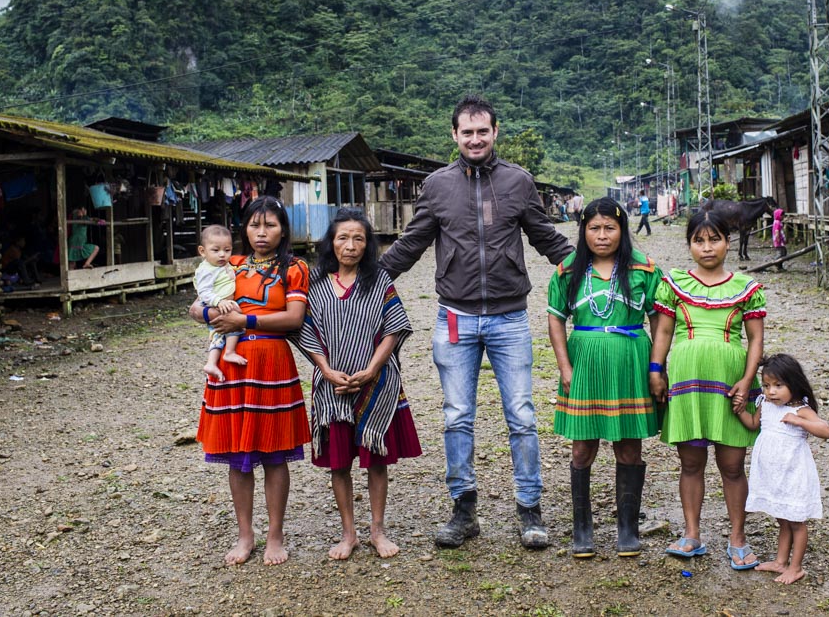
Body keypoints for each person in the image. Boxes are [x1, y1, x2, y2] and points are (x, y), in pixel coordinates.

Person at [380, 95, 573, 550]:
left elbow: (546, 237)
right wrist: (364, 278)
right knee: (456, 416)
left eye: (482, 131)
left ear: (495, 132)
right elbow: (411, 243)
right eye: (466, 132)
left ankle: (530, 510)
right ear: (454, 136)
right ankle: (463, 510)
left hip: (509, 317)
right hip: (455, 318)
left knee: (522, 417)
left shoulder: (519, 182)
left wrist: (593, 268)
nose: (474, 139)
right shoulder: (437, 186)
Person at [190, 196, 312, 566]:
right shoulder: (232, 262)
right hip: (232, 367)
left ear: (283, 229)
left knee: (274, 454)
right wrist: (210, 312)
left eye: (271, 225)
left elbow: (293, 319)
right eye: (255, 225)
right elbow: (196, 308)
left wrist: (246, 322)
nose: (262, 233)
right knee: (236, 456)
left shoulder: (295, 268)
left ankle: (276, 535)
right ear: (244, 228)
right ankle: (245, 535)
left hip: (271, 362)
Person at [296, 209, 421, 560]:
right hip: (332, 384)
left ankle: (377, 530)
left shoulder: (379, 280)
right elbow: (306, 333)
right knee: (339, 463)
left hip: (376, 383)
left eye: (358, 239)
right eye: (342, 238)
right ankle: (348, 533)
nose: (349, 246)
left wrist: (371, 369)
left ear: (367, 245)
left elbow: (394, 328)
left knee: (376, 458)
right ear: (331, 242)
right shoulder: (316, 282)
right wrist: (326, 369)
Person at [548, 198, 669, 558]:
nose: (602, 236)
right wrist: (565, 367)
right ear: (583, 231)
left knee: (629, 445)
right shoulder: (568, 270)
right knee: (583, 445)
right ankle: (582, 528)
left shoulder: (644, 269)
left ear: (622, 230)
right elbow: (556, 318)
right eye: (594, 228)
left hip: (631, 361)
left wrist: (656, 367)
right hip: (584, 361)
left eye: (610, 228)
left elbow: (660, 320)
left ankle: (627, 528)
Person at [650, 210, 765, 570]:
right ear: (689, 245)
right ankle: (691, 533)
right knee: (691, 462)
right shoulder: (675, 284)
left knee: (732, 466)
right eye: (698, 240)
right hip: (686, 385)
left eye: (714, 238)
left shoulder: (746, 288)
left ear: (728, 242)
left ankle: (737, 538)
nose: (707, 247)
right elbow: (664, 332)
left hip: (730, 384)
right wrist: (657, 370)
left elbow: (756, 339)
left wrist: (747, 381)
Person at [736, 354, 829, 584]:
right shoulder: (765, 404)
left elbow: (825, 431)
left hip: (793, 473)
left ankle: (796, 567)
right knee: (782, 517)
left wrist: (800, 421)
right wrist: (740, 411)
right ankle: (780, 561)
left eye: (779, 385)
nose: (771, 391)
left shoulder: (801, 409)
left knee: (796, 521)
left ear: (793, 383)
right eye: (767, 385)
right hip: (773, 474)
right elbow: (753, 424)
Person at [194, 224, 246, 382]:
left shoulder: (220, 265)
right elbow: (203, 292)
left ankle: (211, 363)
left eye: (227, 250)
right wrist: (219, 301)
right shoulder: (206, 270)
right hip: (217, 305)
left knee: (219, 335)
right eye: (216, 250)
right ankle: (227, 353)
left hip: (225, 304)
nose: (222, 255)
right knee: (229, 328)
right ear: (202, 251)